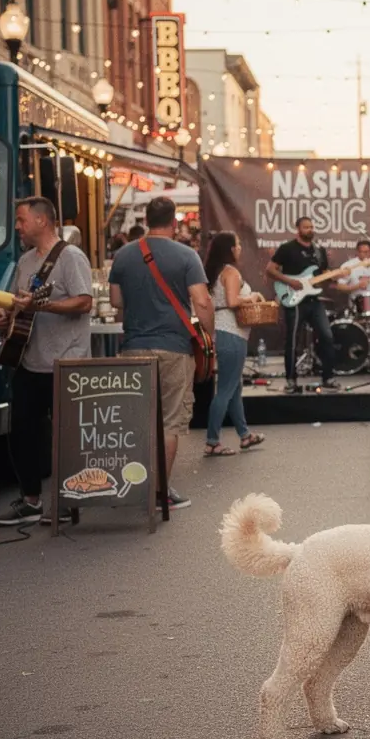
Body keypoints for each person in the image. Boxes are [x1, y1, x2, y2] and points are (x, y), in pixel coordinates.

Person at [0, 198, 93, 526]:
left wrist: (44, 307)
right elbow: (19, 304)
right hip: (29, 359)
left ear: (41, 221)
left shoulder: (70, 256)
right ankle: (31, 499)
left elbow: (84, 302)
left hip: (66, 362)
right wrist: (4, 315)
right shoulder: (24, 262)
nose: (17, 226)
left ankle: (67, 500)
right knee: (20, 429)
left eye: (21, 220)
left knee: (65, 435)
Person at [109, 196, 215, 511]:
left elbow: (115, 301)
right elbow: (203, 302)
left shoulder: (124, 254)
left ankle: (133, 484)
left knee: (137, 421)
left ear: (147, 217)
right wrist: (208, 338)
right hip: (174, 347)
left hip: (133, 348)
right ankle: (160, 492)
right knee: (169, 422)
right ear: (173, 222)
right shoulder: (186, 255)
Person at [202, 231, 266, 457]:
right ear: (230, 249)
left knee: (234, 387)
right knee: (226, 390)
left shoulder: (216, 271)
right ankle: (212, 441)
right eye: (238, 244)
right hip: (232, 333)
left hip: (225, 331)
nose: (240, 248)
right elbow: (232, 301)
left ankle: (244, 435)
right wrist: (252, 296)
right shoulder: (230, 272)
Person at [266, 217, 340, 393]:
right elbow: (270, 270)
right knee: (292, 341)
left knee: (327, 336)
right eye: (306, 227)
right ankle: (291, 380)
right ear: (298, 229)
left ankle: (328, 377)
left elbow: (322, 274)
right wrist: (290, 281)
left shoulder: (319, 250)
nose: (310, 229)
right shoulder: (287, 249)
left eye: (312, 226)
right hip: (295, 300)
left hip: (314, 300)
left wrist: (335, 275)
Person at [336, 237, 370, 316]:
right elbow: (340, 286)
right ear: (357, 252)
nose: (364, 254)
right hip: (356, 307)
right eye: (361, 252)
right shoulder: (349, 266)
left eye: (367, 252)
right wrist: (356, 286)